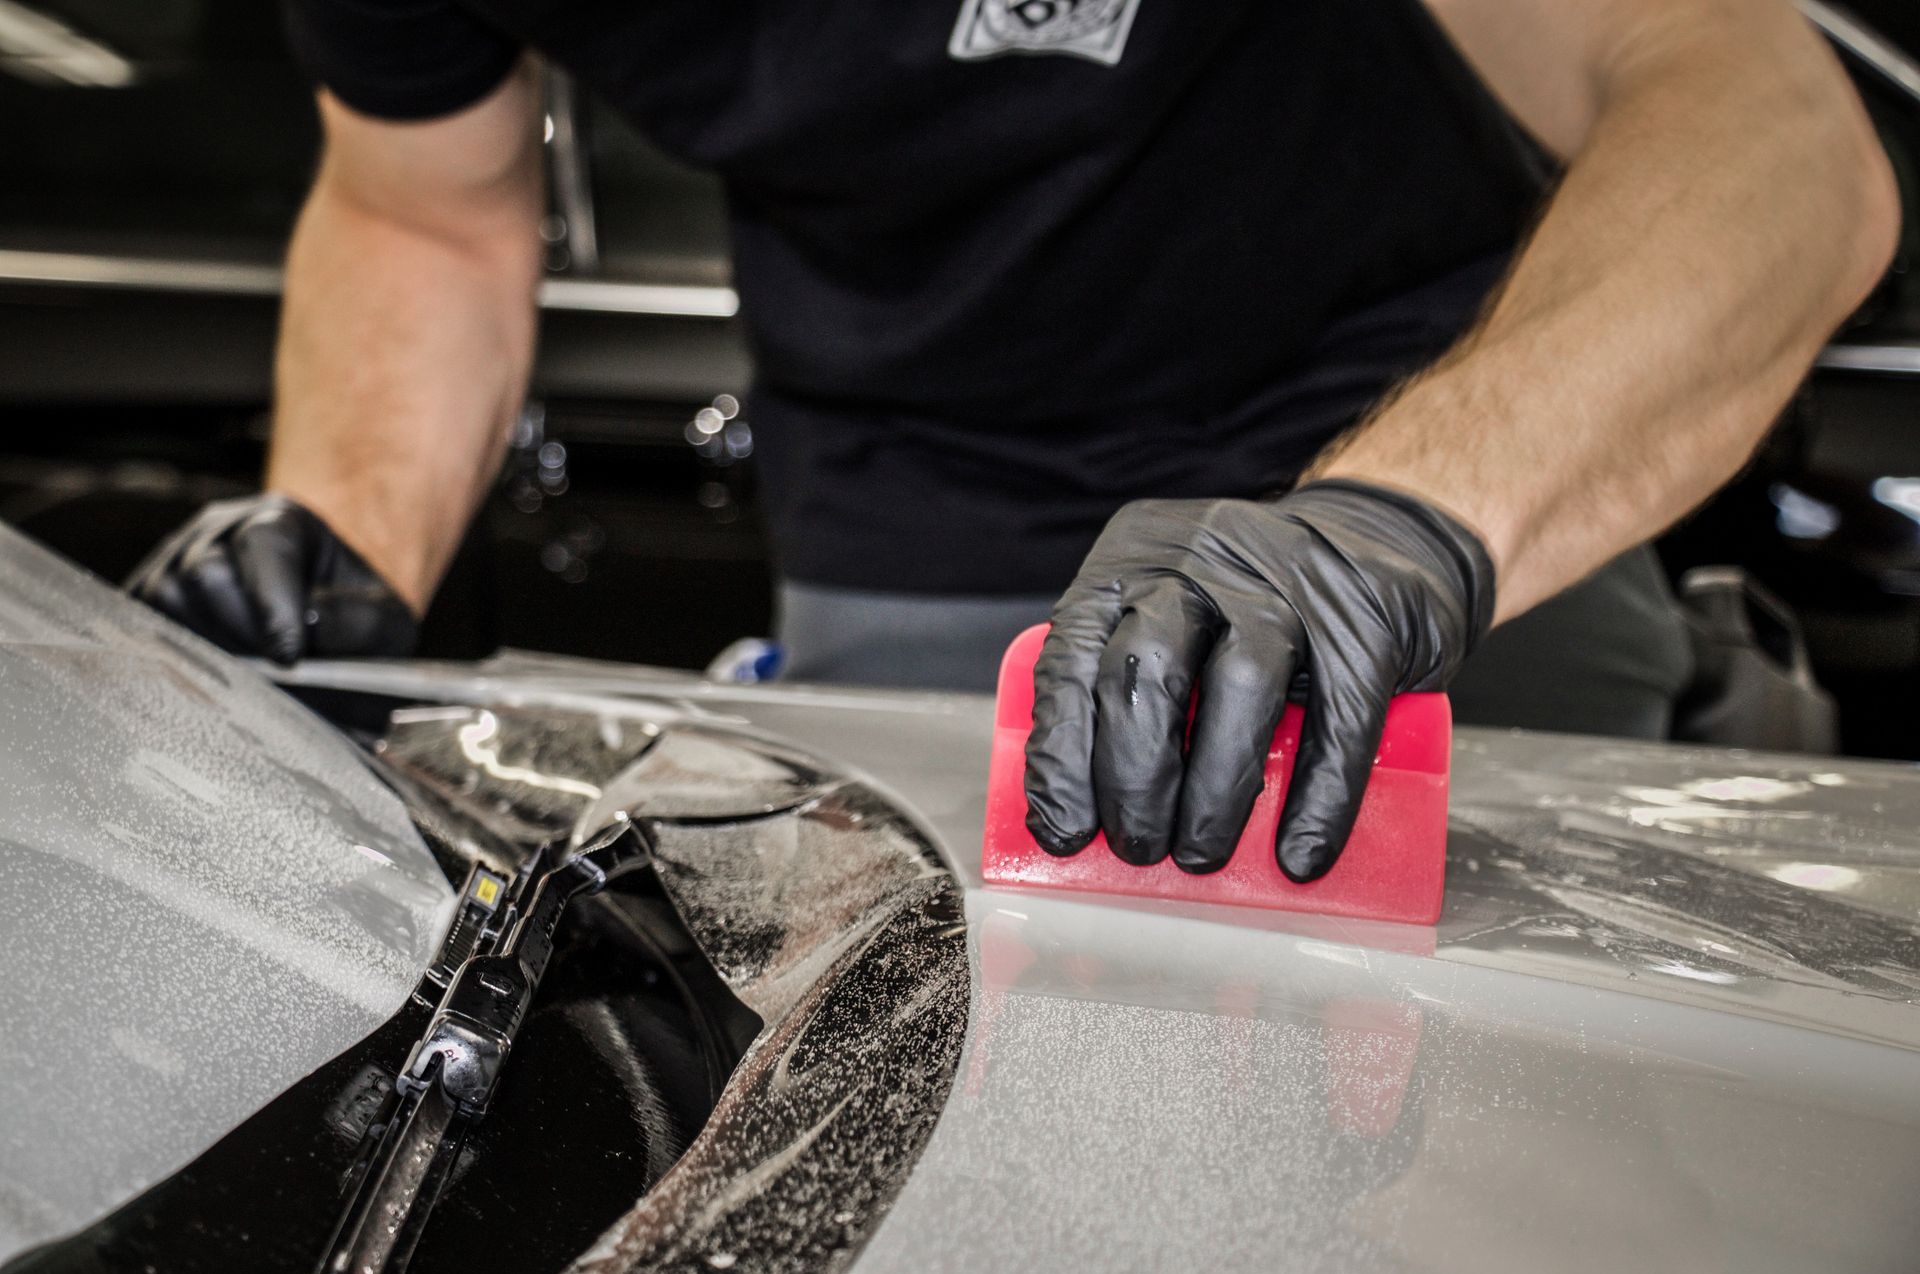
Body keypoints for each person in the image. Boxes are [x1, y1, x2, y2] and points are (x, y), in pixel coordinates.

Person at [129, 0, 1897, 882]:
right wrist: (344, 532)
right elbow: (425, 207)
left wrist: (1402, 526)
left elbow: (1750, 103)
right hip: (910, 520)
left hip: (1437, 476)